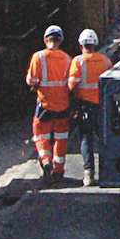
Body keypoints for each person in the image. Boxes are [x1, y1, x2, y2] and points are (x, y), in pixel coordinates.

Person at [25, 26, 73, 183]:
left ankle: (46, 160)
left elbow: (31, 80)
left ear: (46, 40)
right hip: (63, 105)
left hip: (45, 104)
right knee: (61, 137)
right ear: (61, 40)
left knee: (40, 134)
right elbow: (71, 82)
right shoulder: (67, 59)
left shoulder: (38, 57)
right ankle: (58, 170)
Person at [68, 29, 111, 184]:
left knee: (87, 139)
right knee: (104, 138)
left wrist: (75, 97)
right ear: (95, 44)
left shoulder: (78, 62)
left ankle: (89, 175)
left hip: (85, 106)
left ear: (81, 45)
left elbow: (72, 85)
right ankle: (107, 171)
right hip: (103, 106)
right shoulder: (105, 61)